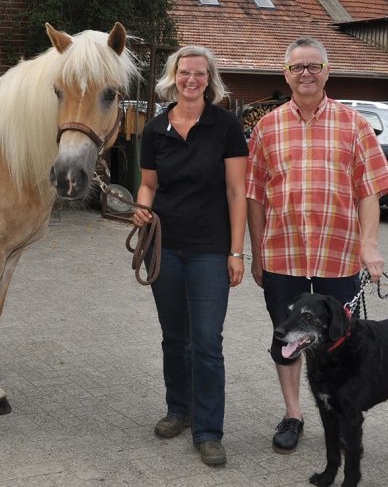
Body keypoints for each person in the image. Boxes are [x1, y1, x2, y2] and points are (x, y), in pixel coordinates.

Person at [245, 37, 388, 454]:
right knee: (288, 339)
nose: (306, 73)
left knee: (340, 341)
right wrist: (258, 253)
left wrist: (369, 245)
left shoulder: (355, 125)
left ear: (327, 72)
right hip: (283, 255)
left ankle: (341, 413)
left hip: (338, 257)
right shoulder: (266, 127)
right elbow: (255, 196)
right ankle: (294, 415)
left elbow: (370, 190)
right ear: (286, 75)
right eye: (298, 67)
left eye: (314, 66)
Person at [131, 45, 249, 467]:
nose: (192, 80)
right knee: (173, 337)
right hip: (164, 249)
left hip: (210, 251)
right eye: (185, 73)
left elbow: (237, 192)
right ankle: (178, 410)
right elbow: (148, 184)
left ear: (210, 79)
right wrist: (142, 206)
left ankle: (208, 430)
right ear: (173, 76)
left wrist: (237, 252)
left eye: (200, 73)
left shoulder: (226, 126)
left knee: (206, 342)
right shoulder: (156, 128)